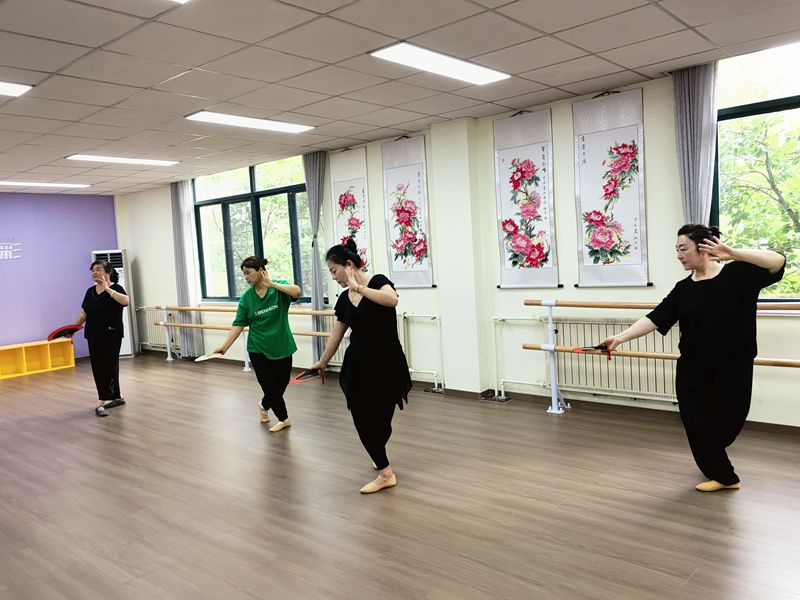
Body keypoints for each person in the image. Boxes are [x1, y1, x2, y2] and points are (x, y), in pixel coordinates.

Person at [600, 224, 785, 492]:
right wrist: (620, 337)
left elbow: (778, 261)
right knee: (695, 421)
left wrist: (734, 253)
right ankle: (725, 477)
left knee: (728, 421)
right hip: (692, 368)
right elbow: (656, 317)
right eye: (677, 250)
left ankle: (713, 456)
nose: (679, 255)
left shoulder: (738, 275)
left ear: (704, 248)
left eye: (683, 249)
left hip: (733, 366)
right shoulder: (683, 289)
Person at [311, 238, 412, 494]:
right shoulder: (344, 300)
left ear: (348, 265)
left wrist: (359, 287)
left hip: (387, 364)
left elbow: (392, 300)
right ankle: (385, 472)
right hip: (358, 366)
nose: (333, 277)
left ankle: (378, 452)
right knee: (361, 416)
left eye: (334, 271)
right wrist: (323, 361)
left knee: (383, 423)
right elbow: (336, 334)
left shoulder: (378, 282)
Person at [213, 256, 301, 432]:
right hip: (258, 349)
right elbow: (238, 323)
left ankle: (263, 405)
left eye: (248, 273)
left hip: (282, 345)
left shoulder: (278, 288)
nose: (246, 277)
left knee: (280, 384)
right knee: (269, 386)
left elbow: (297, 292)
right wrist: (225, 346)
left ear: (261, 270)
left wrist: (272, 284)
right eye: (244, 274)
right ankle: (283, 419)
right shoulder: (247, 298)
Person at [75, 260, 130, 417]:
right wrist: (72, 329)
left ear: (107, 272)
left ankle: (101, 402)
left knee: (109, 366)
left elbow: (126, 301)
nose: (94, 272)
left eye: (98, 269)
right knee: (98, 367)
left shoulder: (116, 288)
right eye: (92, 270)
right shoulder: (90, 291)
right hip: (93, 335)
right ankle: (117, 397)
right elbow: (84, 313)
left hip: (111, 334)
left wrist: (107, 288)